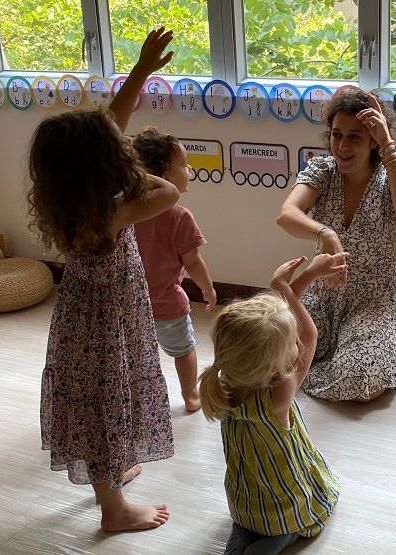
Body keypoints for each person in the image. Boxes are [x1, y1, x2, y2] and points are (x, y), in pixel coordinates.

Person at [32, 28, 180, 532]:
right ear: (107, 166)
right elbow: (168, 192)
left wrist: (139, 72)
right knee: (107, 402)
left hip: (94, 319)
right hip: (107, 326)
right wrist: (129, 159)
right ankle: (112, 509)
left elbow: (106, 130)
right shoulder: (116, 211)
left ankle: (111, 471)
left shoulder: (79, 203)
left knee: (108, 400)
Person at [276, 89, 396, 402]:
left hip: (375, 299)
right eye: (336, 135)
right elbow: (286, 215)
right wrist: (325, 233)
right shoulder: (323, 170)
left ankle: (321, 365)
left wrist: (388, 143)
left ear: (373, 139)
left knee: (360, 383)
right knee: (265, 348)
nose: (343, 146)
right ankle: (311, 362)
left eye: (355, 137)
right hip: (322, 292)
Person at [198, 254, 346, 555]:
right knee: (285, 530)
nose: (297, 345)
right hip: (283, 503)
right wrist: (286, 285)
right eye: (291, 345)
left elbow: (279, 326)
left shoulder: (226, 384)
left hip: (246, 502)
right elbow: (310, 334)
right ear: (271, 367)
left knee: (248, 525)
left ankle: (243, 537)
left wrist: (290, 284)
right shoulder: (278, 396)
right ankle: (276, 540)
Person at [132, 126, 217, 413]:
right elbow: (193, 262)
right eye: (183, 164)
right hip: (168, 303)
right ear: (164, 176)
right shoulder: (179, 216)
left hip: (130, 304)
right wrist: (207, 288)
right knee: (184, 350)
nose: (189, 168)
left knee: (138, 355)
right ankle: (191, 395)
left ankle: (138, 400)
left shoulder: (125, 210)